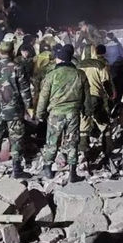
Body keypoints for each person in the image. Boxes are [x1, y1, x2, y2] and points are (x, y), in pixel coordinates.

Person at [36, 44, 92, 183]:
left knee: (52, 141)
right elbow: (87, 96)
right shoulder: (80, 74)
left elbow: (43, 96)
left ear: (60, 60)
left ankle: (48, 169)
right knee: (72, 142)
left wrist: (40, 114)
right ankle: (72, 173)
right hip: (73, 113)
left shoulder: (52, 75)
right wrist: (87, 111)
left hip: (56, 114)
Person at [0, 42, 33, 179]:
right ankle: (17, 170)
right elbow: (25, 90)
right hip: (14, 110)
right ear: (12, 52)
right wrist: (29, 107)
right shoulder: (18, 67)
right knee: (16, 139)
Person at [78, 45, 114, 156]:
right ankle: (108, 148)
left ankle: (84, 150)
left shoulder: (78, 66)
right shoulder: (100, 65)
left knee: (84, 122)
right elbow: (106, 82)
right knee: (104, 122)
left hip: (82, 98)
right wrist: (110, 94)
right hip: (95, 97)